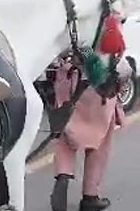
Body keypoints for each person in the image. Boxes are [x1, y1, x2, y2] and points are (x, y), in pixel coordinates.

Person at [49, 58, 132, 211]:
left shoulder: (70, 33)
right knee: (99, 142)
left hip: (67, 79)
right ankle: (90, 196)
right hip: (97, 83)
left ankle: (63, 175)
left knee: (66, 136)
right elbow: (117, 62)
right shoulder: (104, 33)